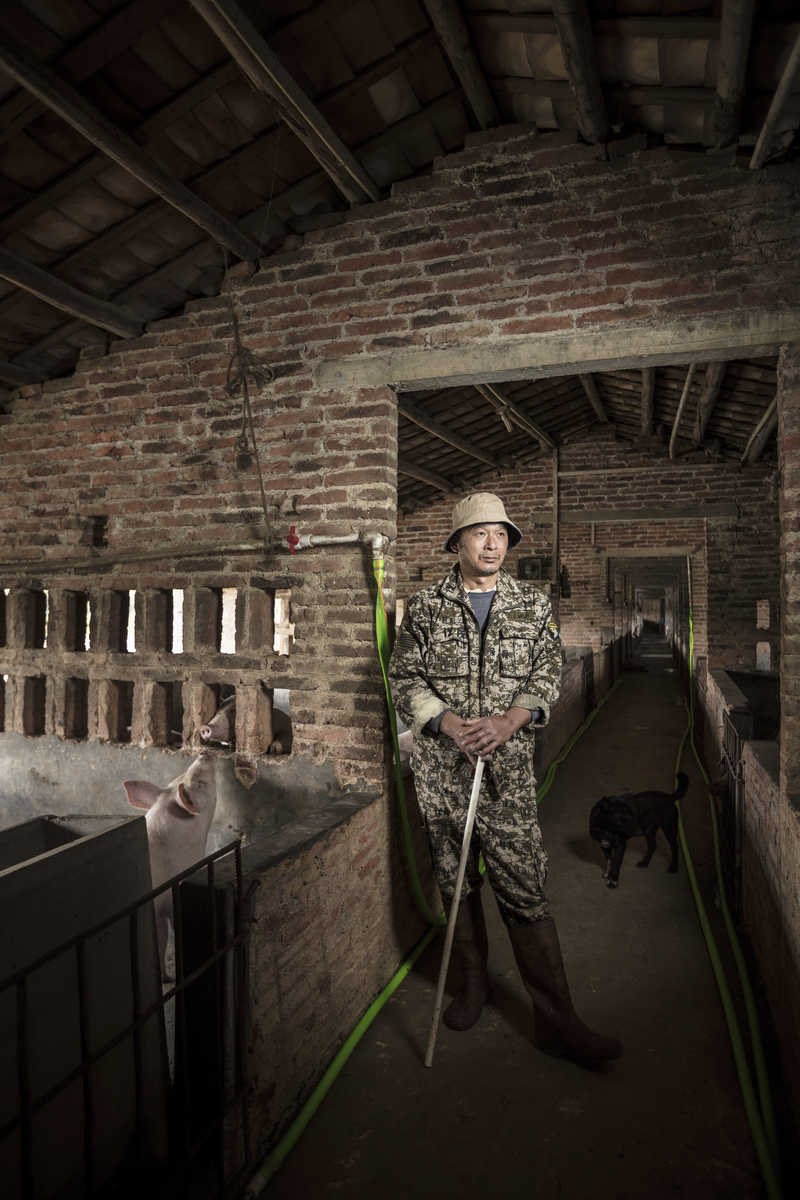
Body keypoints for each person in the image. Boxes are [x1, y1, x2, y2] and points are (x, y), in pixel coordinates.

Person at [389, 492, 622, 1067]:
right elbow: (403, 679)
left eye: (501, 534)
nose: (493, 544)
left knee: (523, 883)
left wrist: (510, 720)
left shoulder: (533, 607)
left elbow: (547, 673)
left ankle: (557, 1019)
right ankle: (474, 985)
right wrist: (444, 722)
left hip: (508, 775)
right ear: (456, 543)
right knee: (456, 880)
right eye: (479, 534)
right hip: (443, 774)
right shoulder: (424, 610)